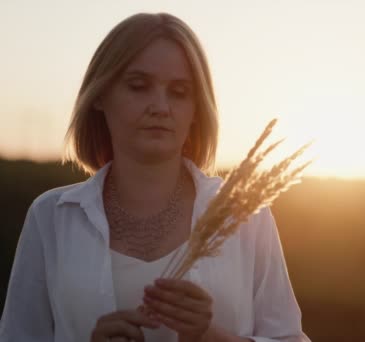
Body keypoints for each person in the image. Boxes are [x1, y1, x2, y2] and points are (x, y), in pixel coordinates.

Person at [0, 12, 310, 342]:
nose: (160, 106)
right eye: (139, 86)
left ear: (196, 109)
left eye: (178, 92)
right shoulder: (52, 216)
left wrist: (211, 336)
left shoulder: (243, 215)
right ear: (101, 95)